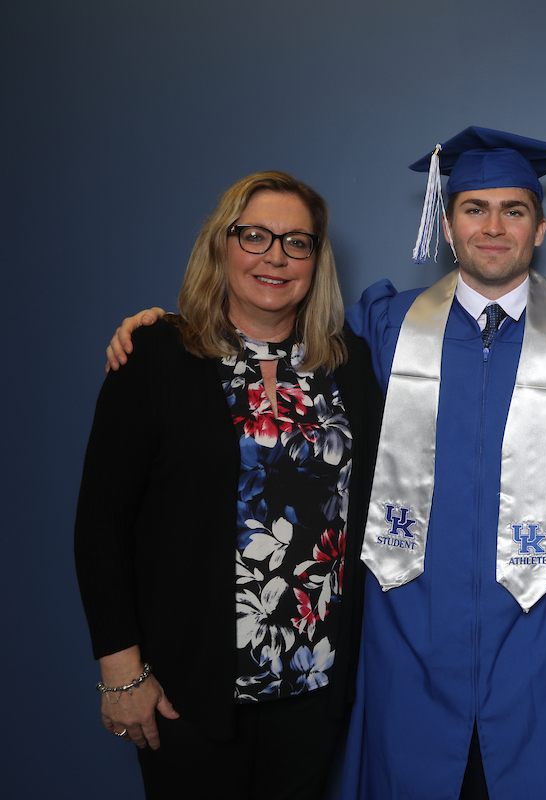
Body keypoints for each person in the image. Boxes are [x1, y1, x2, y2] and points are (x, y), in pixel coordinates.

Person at [103, 128, 546, 799]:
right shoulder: (380, 327)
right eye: (474, 209)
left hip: (541, 645)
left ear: (540, 227)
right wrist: (169, 326)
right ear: (448, 224)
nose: (494, 227)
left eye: (514, 210)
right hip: (410, 643)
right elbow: (269, 337)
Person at [75, 171, 381, 800]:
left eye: (297, 242)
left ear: (316, 260)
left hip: (314, 686)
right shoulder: (155, 355)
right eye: (255, 236)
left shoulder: (349, 365)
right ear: (221, 245)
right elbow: (101, 522)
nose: (275, 256)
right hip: (186, 688)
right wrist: (119, 671)